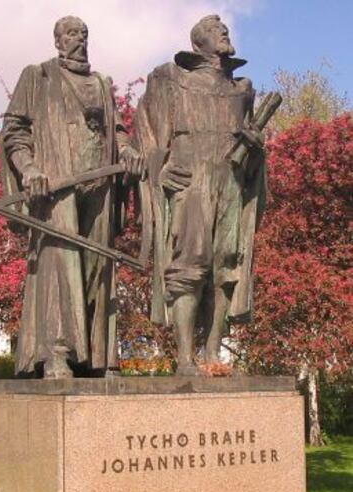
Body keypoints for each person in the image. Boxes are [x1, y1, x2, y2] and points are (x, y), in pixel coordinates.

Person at [0, 15, 140, 377]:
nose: (79, 39)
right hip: (58, 185)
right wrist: (29, 169)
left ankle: (98, 357)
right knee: (60, 266)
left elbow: (118, 130)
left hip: (101, 185)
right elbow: (15, 131)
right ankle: (57, 353)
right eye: (71, 34)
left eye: (83, 34)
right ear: (58, 41)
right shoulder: (39, 75)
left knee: (98, 269)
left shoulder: (101, 82)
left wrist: (125, 151)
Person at [136, 14, 266, 374]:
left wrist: (257, 149)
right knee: (189, 265)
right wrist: (158, 168)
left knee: (227, 263)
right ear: (197, 44)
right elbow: (146, 130)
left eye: (223, 29)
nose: (223, 32)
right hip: (190, 181)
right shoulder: (170, 80)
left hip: (231, 183)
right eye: (213, 30)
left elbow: (253, 149)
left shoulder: (243, 90)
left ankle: (211, 352)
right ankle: (183, 357)